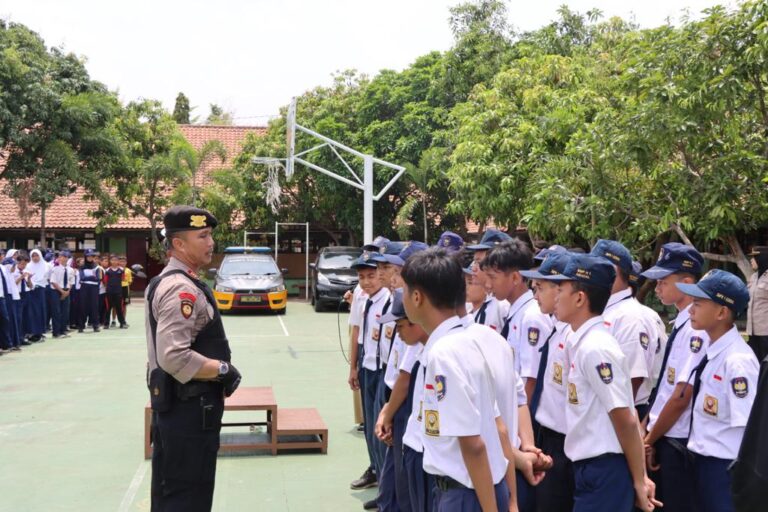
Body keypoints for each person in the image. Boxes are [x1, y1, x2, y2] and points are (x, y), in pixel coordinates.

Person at [539, 254, 659, 512]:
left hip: (604, 467)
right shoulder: (580, 341)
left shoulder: (596, 347)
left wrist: (640, 480)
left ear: (580, 298)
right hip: (588, 467)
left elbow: (625, 418)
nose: (556, 296)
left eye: (561, 290)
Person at [145, 205, 242, 512]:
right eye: (202, 235)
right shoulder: (180, 289)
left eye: (210, 234)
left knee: (180, 492)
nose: (210, 242)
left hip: (185, 411)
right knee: (186, 496)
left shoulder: (181, 281)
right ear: (179, 244)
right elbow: (173, 356)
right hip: (188, 412)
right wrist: (223, 370)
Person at [402, 247, 510, 511]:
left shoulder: (444, 353)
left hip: (467, 494)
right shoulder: (466, 340)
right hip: (479, 488)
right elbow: (498, 429)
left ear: (417, 297)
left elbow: (472, 444)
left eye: (404, 291)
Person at [676, 269, 759, 512]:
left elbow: (748, 429)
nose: (691, 309)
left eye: (699, 303)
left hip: (723, 469)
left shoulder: (737, 361)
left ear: (722, 312)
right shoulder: (714, 352)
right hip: (702, 463)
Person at [640, 242, 707, 512]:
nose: (657, 288)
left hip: (676, 438)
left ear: (687, 282)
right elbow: (665, 390)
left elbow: (681, 396)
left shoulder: (696, 330)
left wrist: (648, 439)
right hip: (663, 433)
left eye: (663, 281)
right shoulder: (682, 323)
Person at [520, 252, 575, 512]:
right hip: (547, 434)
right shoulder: (557, 328)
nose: (534, 293)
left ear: (561, 289)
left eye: (541, 287)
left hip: (565, 440)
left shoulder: (574, 336)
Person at [590, 240, 656, 419]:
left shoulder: (629, 317)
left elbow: (634, 378)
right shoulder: (606, 307)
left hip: (619, 415)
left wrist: (619, 425)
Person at [348, 251, 392, 495]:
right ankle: (375, 470)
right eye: (362, 277)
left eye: (371, 276)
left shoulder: (388, 300)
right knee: (368, 426)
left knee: (380, 428)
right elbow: (358, 333)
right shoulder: (363, 299)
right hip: (367, 367)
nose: (366, 282)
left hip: (383, 371)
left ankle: (386, 484)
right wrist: (353, 366)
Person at [746, 246, 768, 360]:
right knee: (754, 361)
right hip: (752, 330)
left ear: (762, 258)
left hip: (765, 331)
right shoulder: (754, 277)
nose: (751, 260)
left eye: (754, 257)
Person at [49, 250, 76, 339]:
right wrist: (61, 291)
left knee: (65, 312)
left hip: (66, 290)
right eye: (60, 256)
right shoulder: (55, 268)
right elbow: (53, 281)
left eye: (64, 257)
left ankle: (63, 330)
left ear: (67, 258)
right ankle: (56, 332)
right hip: (56, 291)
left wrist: (67, 291)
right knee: (56, 312)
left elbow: (71, 281)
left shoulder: (70, 269)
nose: (62, 258)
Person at [25, 249, 49, 342]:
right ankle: (32, 332)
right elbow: (26, 277)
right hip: (30, 291)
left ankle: (40, 332)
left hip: (41, 290)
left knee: (41, 311)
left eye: (37, 255)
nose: (35, 258)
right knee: (32, 312)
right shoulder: (28, 266)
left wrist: (36, 283)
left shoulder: (46, 265)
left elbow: (45, 277)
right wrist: (31, 283)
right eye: (33, 256)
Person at [78, 250, 102, 333]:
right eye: (88, 256)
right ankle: (81, 326)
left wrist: (88, 278)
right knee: (83, 307)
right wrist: (91, 277)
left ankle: (95, 326)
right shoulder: (81, 266)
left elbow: (98, 279)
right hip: (84, 288)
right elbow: (82, 278)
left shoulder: (97, 267)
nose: (90, 258)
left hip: (94, 289)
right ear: (85, 257)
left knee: (94, 307)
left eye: (91, 256)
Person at [105, 254, 128, 329]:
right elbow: (105, 281)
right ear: (110, 261)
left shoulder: (121, 270)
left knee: (119, 308)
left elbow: (123, 279)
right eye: (112, 260)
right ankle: (106, 324)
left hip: (118, 292)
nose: (114, 261)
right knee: (108, 308)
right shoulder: (107, 270)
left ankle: (122, 323)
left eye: (116, 260)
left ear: (118, 261)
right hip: (109, 292)